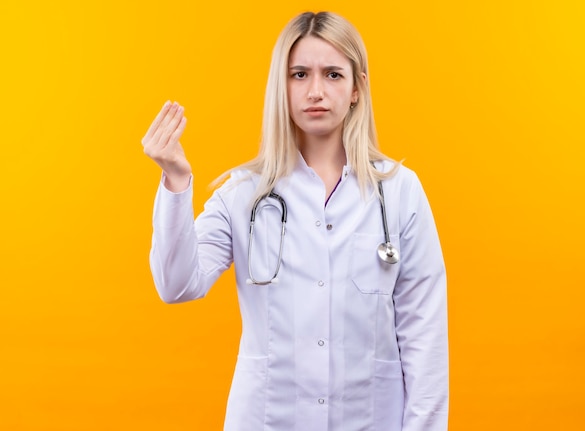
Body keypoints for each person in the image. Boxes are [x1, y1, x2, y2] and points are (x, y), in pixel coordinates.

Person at [142, 11, 448, 431]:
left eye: (334, 75)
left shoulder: (399, 192)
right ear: (280, 87)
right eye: (300, 74)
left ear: (358, 87)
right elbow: (176, 284)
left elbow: (424, 337)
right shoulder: (242, 193)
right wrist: (177, 180)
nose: (316, 91)